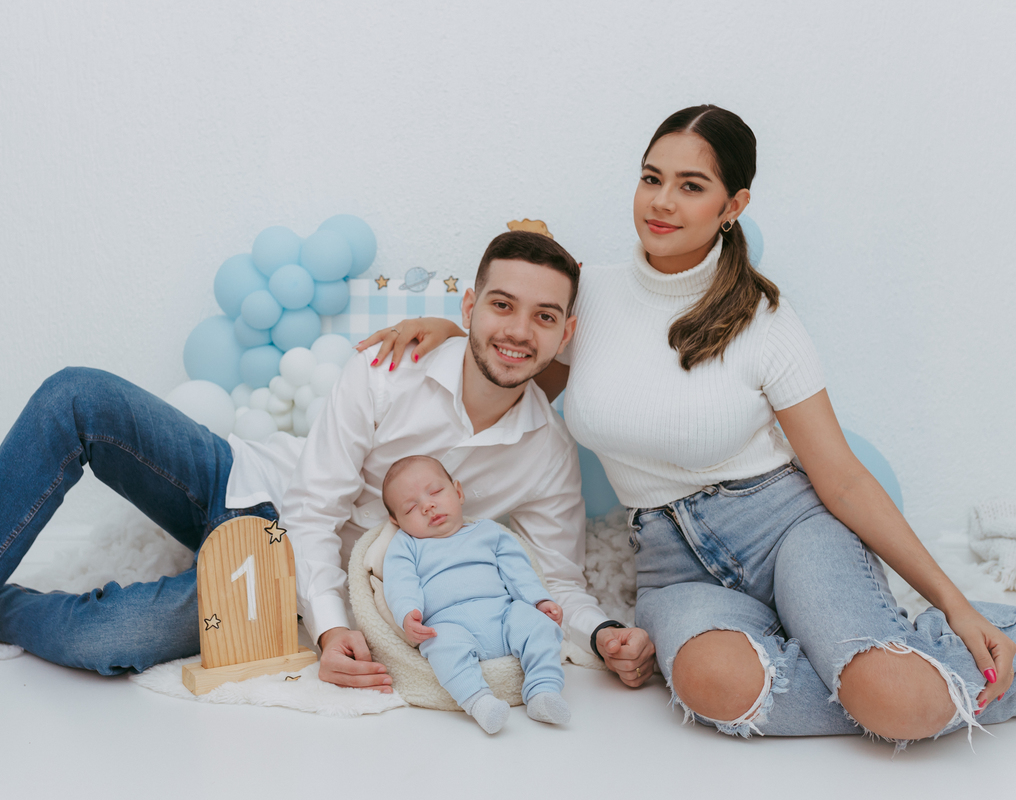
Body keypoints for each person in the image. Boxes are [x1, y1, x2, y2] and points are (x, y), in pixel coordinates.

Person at [359, 105, 1016, 743]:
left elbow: (841, 478)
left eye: (691, 186)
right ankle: (873, 670)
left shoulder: (765, 320)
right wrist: (454, 334)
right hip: (670, 561)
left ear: (733, 205)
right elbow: (517, 366)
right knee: (712, 688)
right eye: (652, 178)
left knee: (897, 705)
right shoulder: (589, 295)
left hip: (787, 528)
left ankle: (918, 668)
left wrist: (955, 604)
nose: (662, 202)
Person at [0, 230, 656, 691]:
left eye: (542, 318)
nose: (517, 331)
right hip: (251, 481)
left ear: (565, 334)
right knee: (77, 394)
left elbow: (560, 579)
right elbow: (316, 505)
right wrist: (333, 627)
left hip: (283, 568)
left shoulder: (547, 454)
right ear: (469, 307)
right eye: (502, 305)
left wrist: (606, 634)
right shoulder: (389, 368)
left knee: (114, 637)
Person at [381, 455, 570, 733]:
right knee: (439, 643)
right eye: (410, 507)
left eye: (436, 492)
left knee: (539, 626)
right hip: (449, 624)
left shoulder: (489, 532)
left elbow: (518, 571)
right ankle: (479, 702)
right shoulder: (406, 545)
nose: (427, 506)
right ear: (396, 520)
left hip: (503, 615)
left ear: (458, 492)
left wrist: (539, 601)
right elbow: (400, 582)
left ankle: (544, 691)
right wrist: (408, 613)